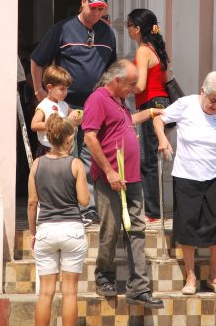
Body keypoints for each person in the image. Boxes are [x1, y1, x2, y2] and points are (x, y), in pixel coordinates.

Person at [153, 71, 216, 295]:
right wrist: (163, 139)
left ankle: (214, 275)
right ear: (203, 91)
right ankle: (190, 276)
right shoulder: (185, 105)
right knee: (187, 225)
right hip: (186, 175)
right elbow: (158, 119)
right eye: (213, 100)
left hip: (214, 176)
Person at [82, 59, 164, 309]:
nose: (134, 89)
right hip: (110, 179)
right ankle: (104, 276)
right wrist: (108, 171)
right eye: (130, 84)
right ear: (116, 81)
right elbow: (89, 136)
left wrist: (151, 113)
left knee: (137, 229)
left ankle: (139, 288)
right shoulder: (98, 99)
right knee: (111, 229)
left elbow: (127, 123)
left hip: (132, 177)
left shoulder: (120, 101)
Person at [31, 0, 117, 222]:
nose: (97, 13)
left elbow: (111, 70)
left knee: (90, 156)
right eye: (93, 7)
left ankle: (87, 207)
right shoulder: (64, 29)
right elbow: (37, 60)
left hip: (95, 106)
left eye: (101, 9)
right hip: (66, 107)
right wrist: (39, 90)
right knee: (65, 153)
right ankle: (63, 206)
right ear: (82, 2)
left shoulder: (108, 34)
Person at [28, 113, 89, 326]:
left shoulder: (36, 165)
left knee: (45, 293)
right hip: (72, 229)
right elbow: (83, 200)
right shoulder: (76, 164)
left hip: (45, 229)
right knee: (70, 293)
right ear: (69, 139)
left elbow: (32, 203)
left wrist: (33, 233)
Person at [126, 9, 170, 222]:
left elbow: (141, 85)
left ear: (136, 28)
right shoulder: (157, 48)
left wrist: (124, 85)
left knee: (147, 160)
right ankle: (155, 209)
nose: (127, 30)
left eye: (129, 26)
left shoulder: (143, 51)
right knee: (153, 158)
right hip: (161, 103)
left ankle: (153, 211)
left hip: (150, 105)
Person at [31, 65, 83, 153]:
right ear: (49, 88)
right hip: (48, 148)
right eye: (62, 89)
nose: (65, 93)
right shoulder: (44, 105)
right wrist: (56, 125)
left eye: (67, 89)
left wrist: (78, 115)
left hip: (63, 148)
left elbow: (73, 114)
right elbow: (34, 125)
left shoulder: (64, 104)